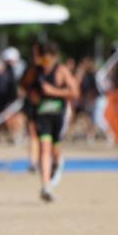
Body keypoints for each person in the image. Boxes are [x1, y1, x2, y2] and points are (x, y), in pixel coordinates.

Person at [32, 41, 79, 201]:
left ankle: (58, 163)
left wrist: (53, 91)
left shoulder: (61, 70)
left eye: (46, 58)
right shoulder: (36, 71)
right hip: (42, 115)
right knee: (43, 148)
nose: (43, 62)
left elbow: (74, 92)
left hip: (58, 115)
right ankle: (46, 186)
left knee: (54, 150)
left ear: (53, 57)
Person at [19, 42, 42, 173]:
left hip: (45, 106)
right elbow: (22, 85)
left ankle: (43, 160)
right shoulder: (30, 69)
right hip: (32, 106)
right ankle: (33, 162)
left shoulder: (48, 69)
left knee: (44, 135)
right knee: (33, 134)